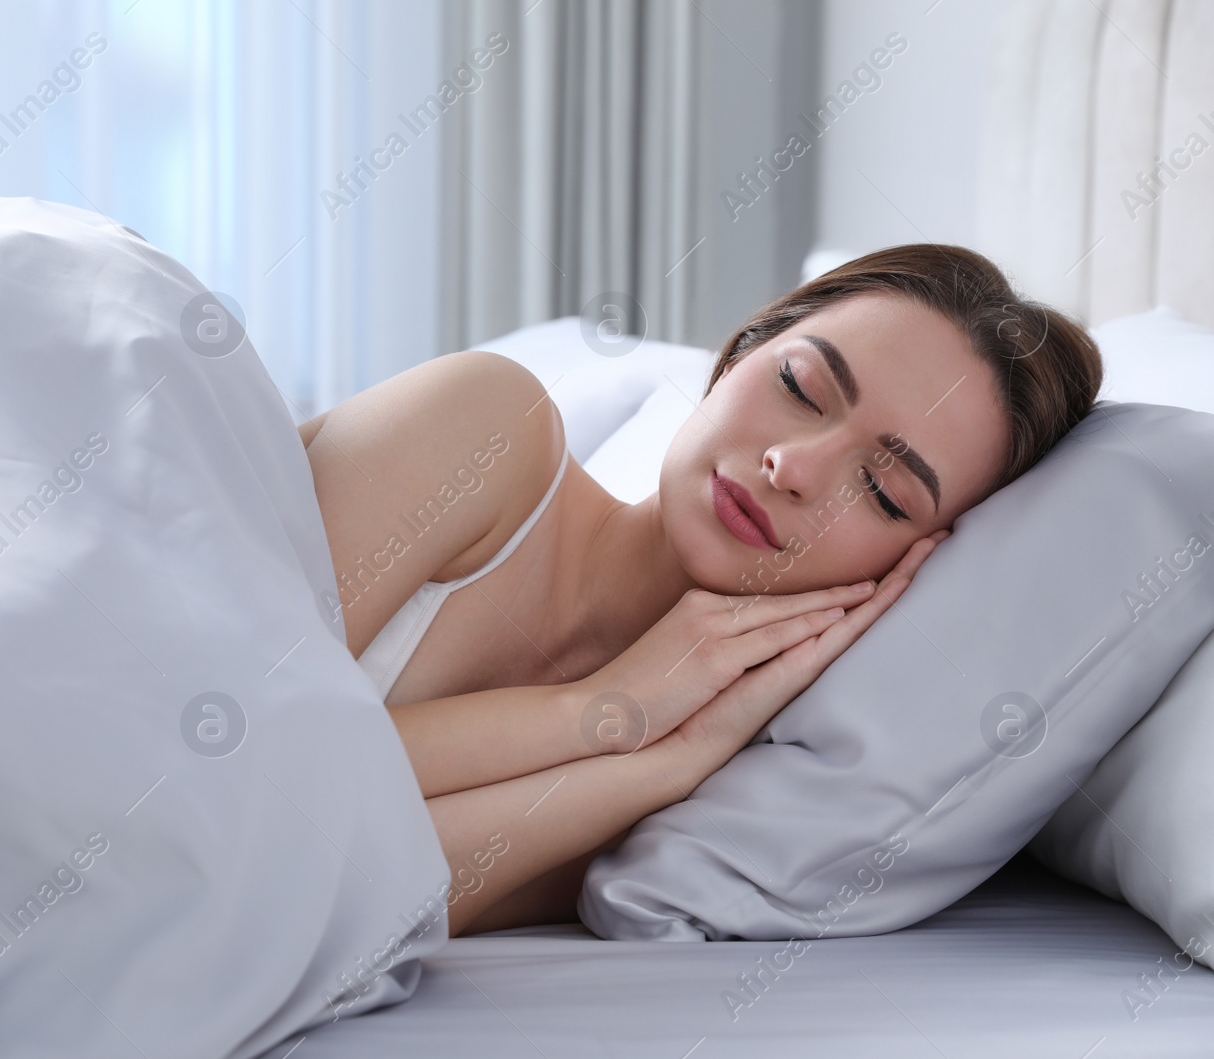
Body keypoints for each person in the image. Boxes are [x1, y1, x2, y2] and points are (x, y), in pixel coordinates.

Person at [296, 244, 1103, 937]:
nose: (794, 467)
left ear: (914, 568)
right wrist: (605, 709)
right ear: (738, 354)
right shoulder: (484, 427)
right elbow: (224, 759)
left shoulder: (691, 800)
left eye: (885, 492)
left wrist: (664, 762)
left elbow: (316, 909)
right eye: (800, 387)